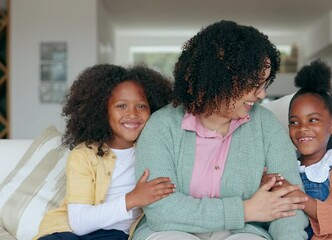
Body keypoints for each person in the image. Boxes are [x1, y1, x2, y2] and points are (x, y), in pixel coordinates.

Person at [133, 20, 309, 240]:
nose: (262, 94)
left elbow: (288, 204)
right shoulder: (161, 126)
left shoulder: (267, 126)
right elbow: (163, 210)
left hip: (242, 233)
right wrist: (245, 210)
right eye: (255, 83)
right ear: (221, 77)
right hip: (168, 232)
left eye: (265, 84)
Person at [34, 64, 175, 240]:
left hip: (115, 235)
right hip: (66, 232)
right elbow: (79, 223)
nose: (132, 114)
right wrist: (133, 199)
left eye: (141, 106)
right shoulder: (84, 154)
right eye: (121, 106)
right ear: (101, 110)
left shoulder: (157, 150)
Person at [264, 60, 332, 239]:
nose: (302, 128)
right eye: (294, 122)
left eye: (313, 120)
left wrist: (295, 195)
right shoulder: (287, 166)